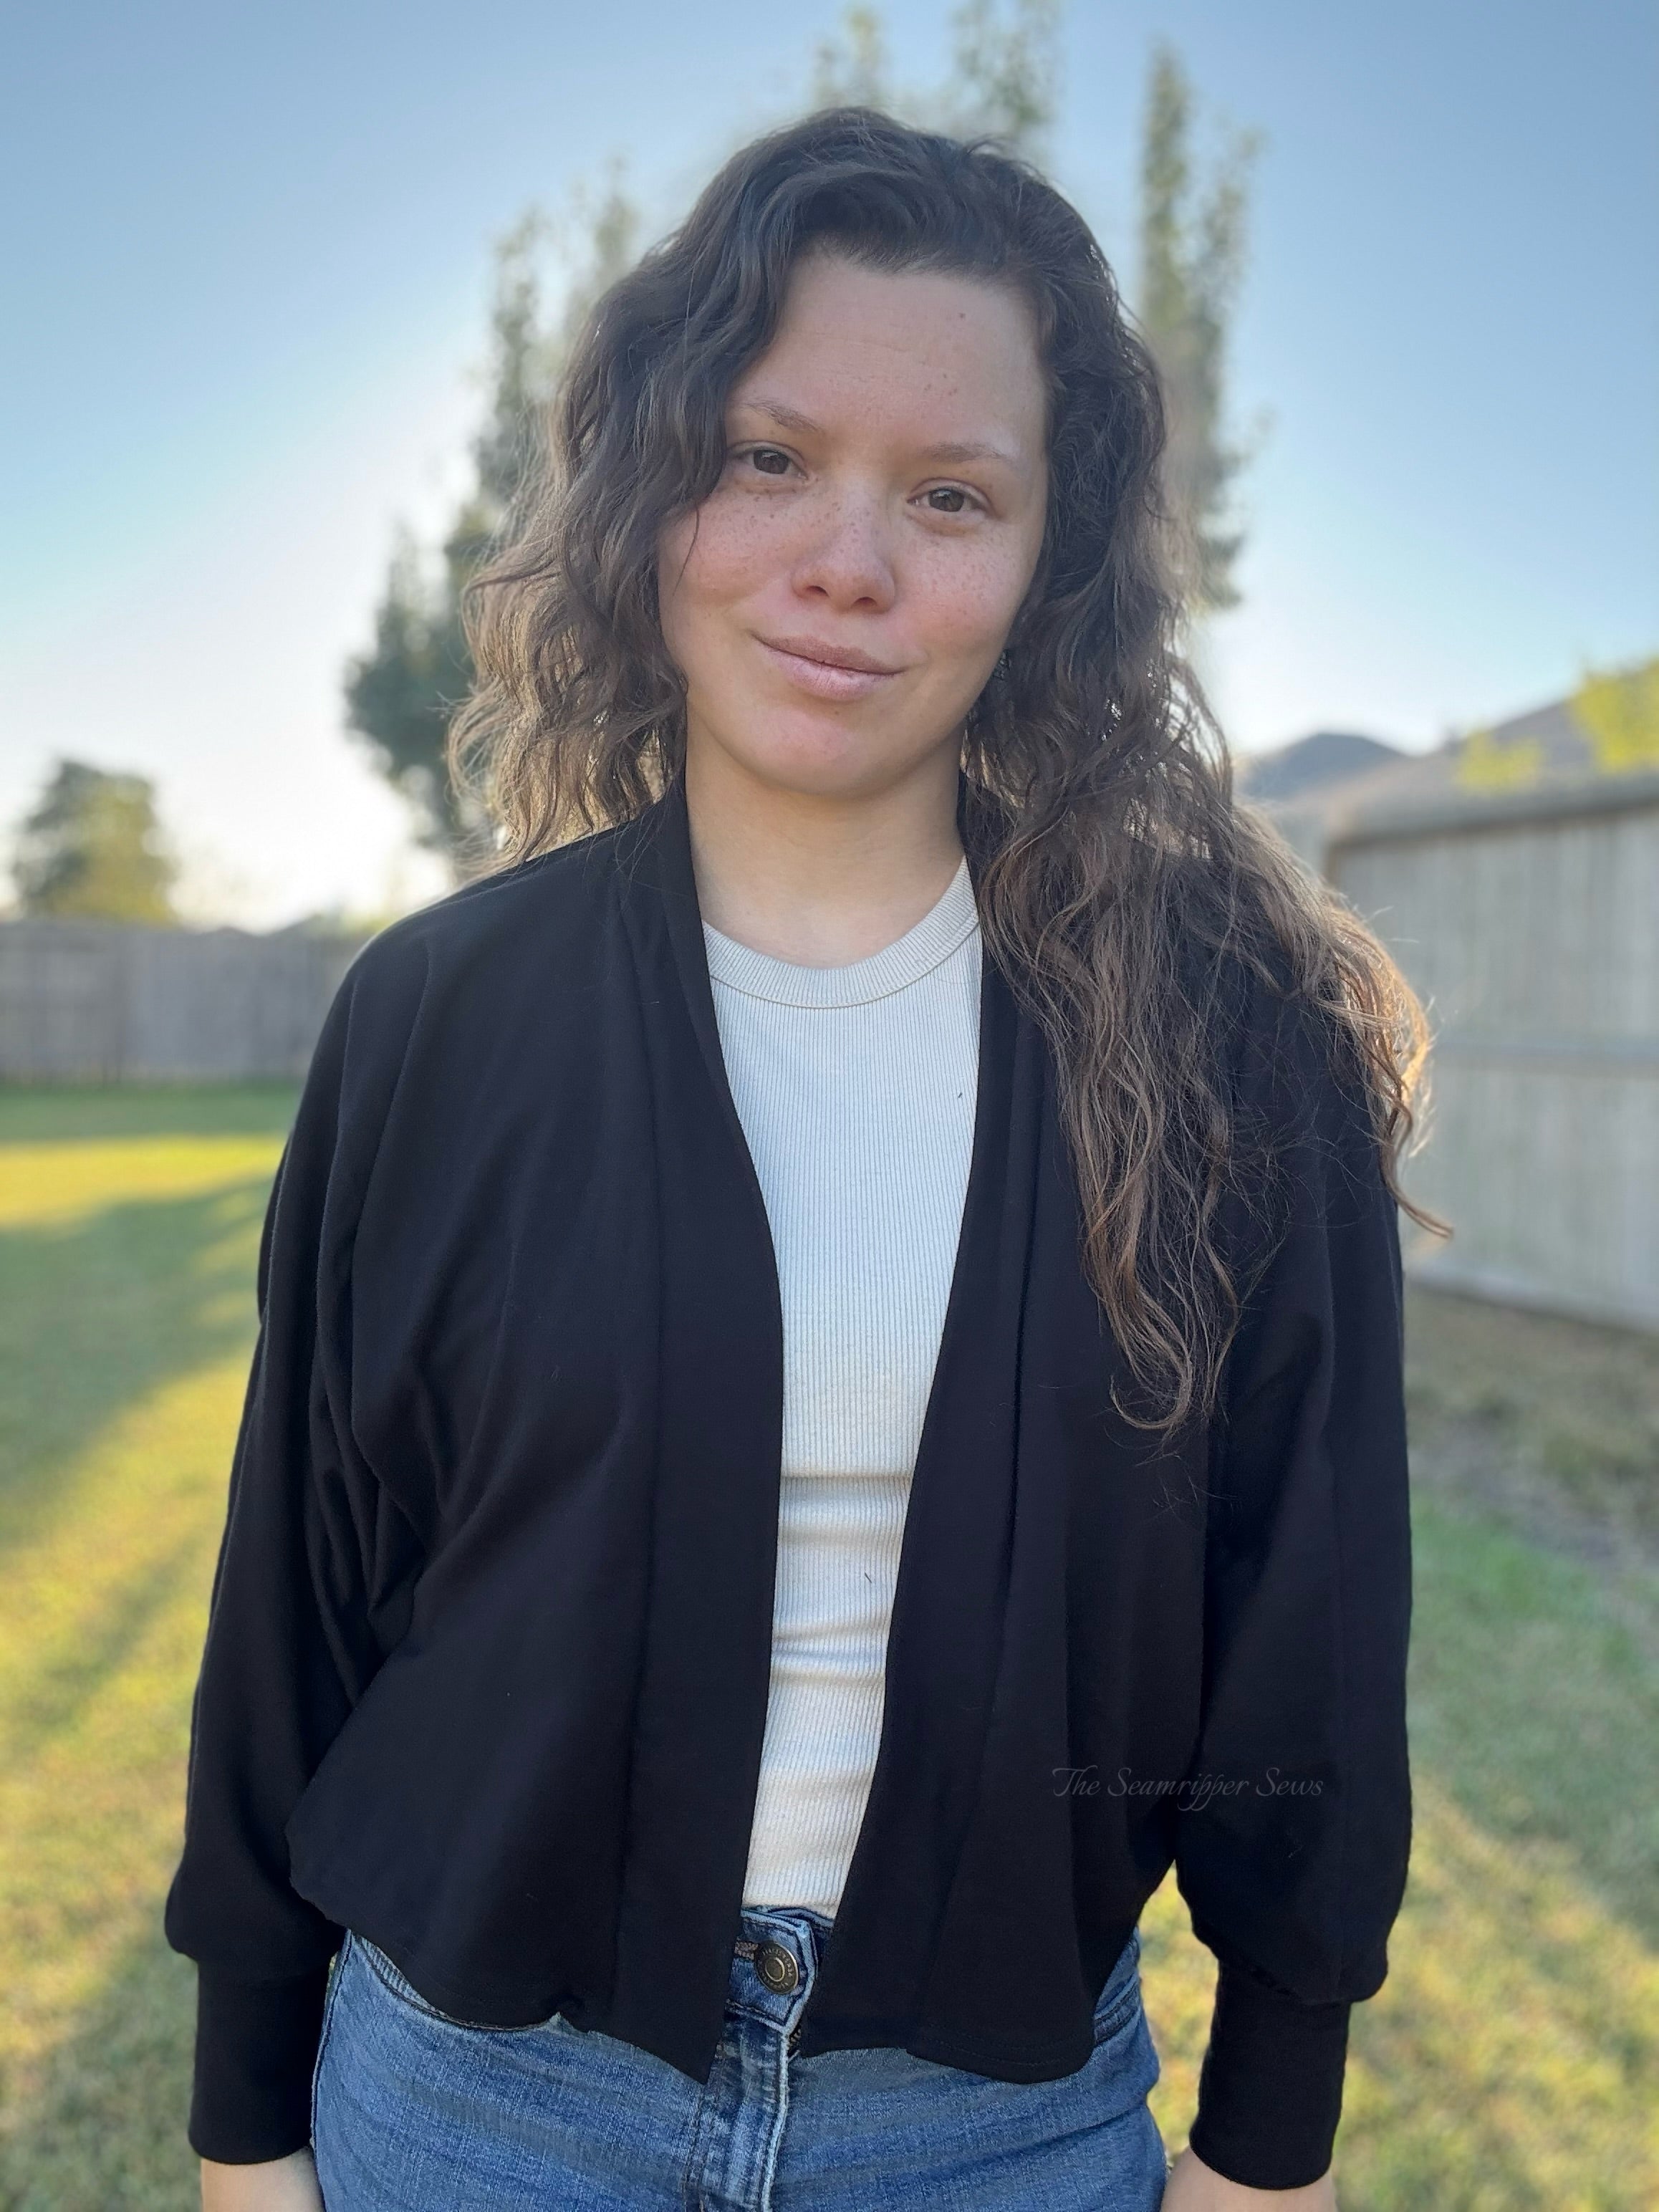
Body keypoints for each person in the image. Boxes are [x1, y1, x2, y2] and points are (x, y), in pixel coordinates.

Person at [168, 106, 1433, 2212]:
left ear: (1046, 565)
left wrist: (1268, 2137)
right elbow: (301, 1596)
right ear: (653, 491)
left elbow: (1301, 1601)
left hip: (991, 2134)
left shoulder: (1218, 1035)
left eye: (949, 493)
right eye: (768, 457)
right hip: (480, 2109)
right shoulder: (438, 1013)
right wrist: (248, 2127)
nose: (848, 558)